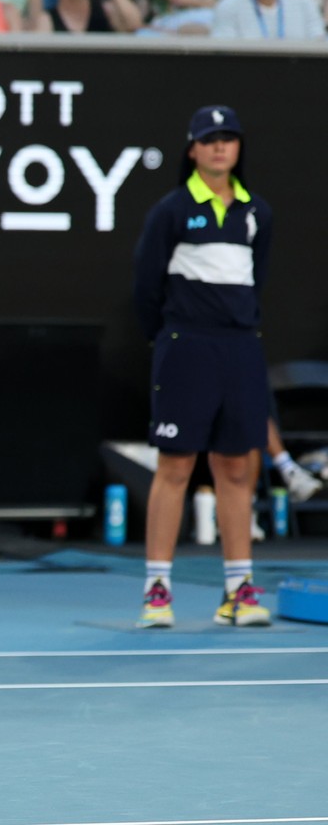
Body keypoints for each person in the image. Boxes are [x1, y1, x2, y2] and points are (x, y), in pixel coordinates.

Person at [132, 106, 274, 630]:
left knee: (236, 468)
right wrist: (171, 339)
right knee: (175, 465)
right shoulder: (170, 211)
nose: (220, 148)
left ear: (238, 149)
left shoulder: (257, 212)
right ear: (192, 149)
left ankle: (238, 592)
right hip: (187, 347)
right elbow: (146, 287)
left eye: (228, 139)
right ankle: (157, 593)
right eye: (209, 140)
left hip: (238, 349)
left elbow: (254, 282)